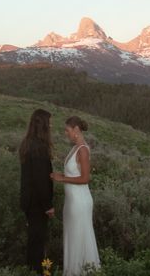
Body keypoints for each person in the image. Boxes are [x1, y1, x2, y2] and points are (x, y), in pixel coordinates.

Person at [51, 116, 100, 276]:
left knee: (79, 238)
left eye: (67, 130)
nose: (66, 133)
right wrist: (60, 174)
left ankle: (82, 272)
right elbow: (73, 173)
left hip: (80, 202)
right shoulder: (74, 148)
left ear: (76, 130)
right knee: (72, 238)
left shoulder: (83, 150)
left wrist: (62, 178)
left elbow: (86, 178)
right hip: (71, 202)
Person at [19, 108, 55, 273]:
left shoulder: (27, 143)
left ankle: (31, 270)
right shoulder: (39, 148)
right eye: (50, 123)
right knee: (39, 242)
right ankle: (41, 272)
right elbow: (40, 182)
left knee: (33, 241)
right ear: (44, 126)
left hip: (28, 201)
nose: (52, 127)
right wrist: (48, 206)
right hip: (37, 203)